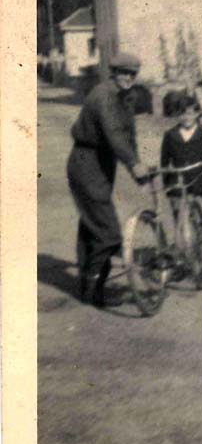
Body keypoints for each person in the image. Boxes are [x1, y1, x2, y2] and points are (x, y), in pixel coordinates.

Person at [66, 53, 149, 307]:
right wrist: (133, 164)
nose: (129, 78)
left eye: (133, 74)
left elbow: (129, 135)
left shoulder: (126, 96)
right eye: (124, 73)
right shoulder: (104, 95)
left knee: (92, 224)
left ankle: (90, 289)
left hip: (103, 163)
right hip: (86, 162)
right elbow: (114, 134)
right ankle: (92, 287)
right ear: (114, 72)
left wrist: (137, 165)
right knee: (108, 232)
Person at [160, 94, 202, 211]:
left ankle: (199, 220)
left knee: (200, 210)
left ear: (197, 114)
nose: (186, 117)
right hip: (178, 182)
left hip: (200, 182)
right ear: (177, 115)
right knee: (179, 211)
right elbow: (164, 163)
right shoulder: (170, 135)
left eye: (190, 113)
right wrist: (167, 186)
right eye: (182, 114)